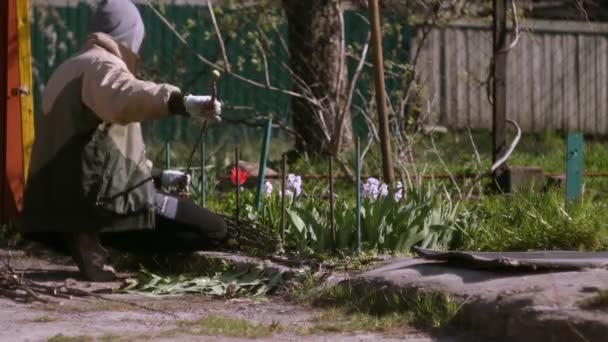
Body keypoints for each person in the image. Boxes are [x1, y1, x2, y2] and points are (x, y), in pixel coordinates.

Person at [20, 0, 227, 282]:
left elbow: (93, 150)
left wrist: (157, 177)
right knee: (213, 229)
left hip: (54, 204)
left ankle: (87, 236)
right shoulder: (101, 66)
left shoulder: (70, 67)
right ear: (130, 37)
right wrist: (181, 102)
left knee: (180, 219)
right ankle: (88, 233)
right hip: (98, 203)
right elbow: (125, 97)